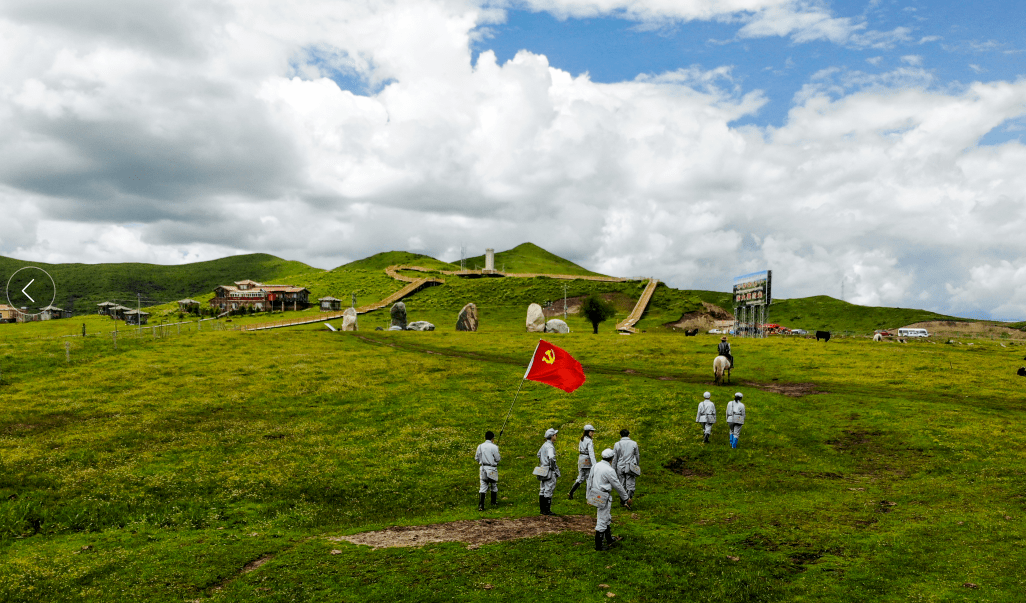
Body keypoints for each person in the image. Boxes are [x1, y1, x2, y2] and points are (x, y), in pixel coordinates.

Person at [589, 448, 632, 551]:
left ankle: (609, 539)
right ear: (612, 458)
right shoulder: (609, 470)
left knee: (606, 517)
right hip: (604, 496)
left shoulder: (595, 466)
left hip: (595, 494)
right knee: (602, 520)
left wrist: (588, 496)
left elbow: (589, 481)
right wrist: (626, 497)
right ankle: (598, 546)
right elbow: (617, 485)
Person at [567, 425, 597, 500]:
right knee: (589, 478)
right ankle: (588, 496)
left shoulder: (582, 439)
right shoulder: (589, 441)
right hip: (587, 459)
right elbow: (591, 453)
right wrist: (595, 464)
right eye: (592, 431)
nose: (593, 433)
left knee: (580, 477)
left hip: (581, 459)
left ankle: (571, 492)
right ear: (588, 432)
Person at [536, 428, 561, 515]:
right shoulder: (550, 446)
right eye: (555, 435)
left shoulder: (544, 445)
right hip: (549, 470)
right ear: (552, 436)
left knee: (542, 489)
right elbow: (551, 457)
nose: (556, 436)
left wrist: (542, 461)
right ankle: (547, 510)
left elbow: (538, 454)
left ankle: (542, 510)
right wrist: (553, 467)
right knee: (548, 489)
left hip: (542, 468)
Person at [474, 430, 500, 511]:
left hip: (482, 468)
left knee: (483, 486)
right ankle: (493, 502)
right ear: (492, 438)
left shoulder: (480, 446)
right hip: (492, 468)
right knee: (494, 485)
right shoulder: (494, 447)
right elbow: (498, 459)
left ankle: (481, 505)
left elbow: (476, 458)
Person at [612, 429, 640, 504]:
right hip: (630, 467)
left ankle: (623, 500)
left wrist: (613, 468)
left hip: (620, 466)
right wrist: (637, 465)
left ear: (620, 435)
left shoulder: (617, 444)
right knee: (630, 485)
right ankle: (628, 500)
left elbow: (614, 458)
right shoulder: (634, 443)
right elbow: (637, 455)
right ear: (629, 435)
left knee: (621, 484)